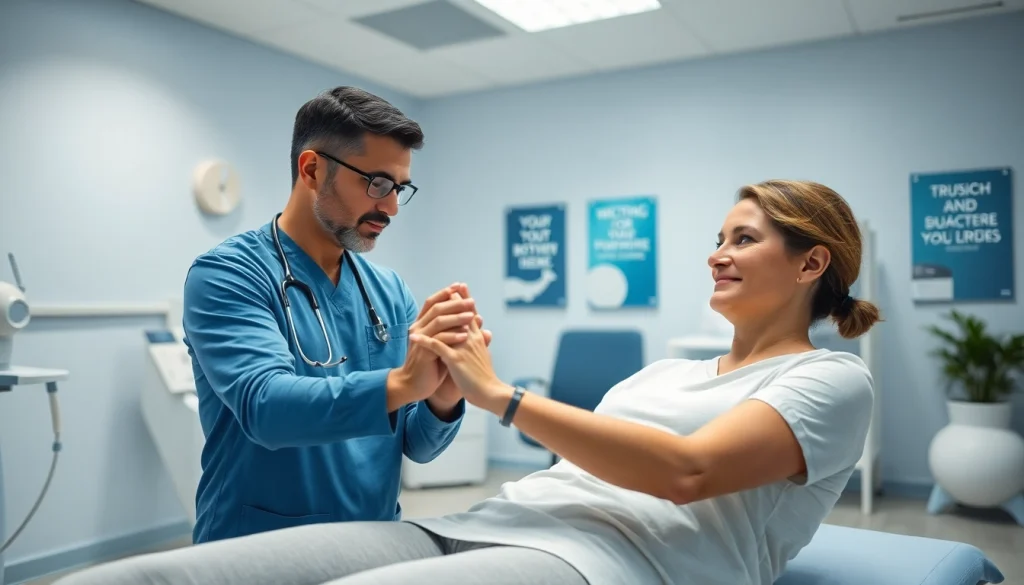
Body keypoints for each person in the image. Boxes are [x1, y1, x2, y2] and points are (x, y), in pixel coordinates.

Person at [55, 179, 881, 585]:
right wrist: (447, 382)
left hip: (612, 559)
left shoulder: (831, 379)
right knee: (149, 577)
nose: (717, 253)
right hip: (485, 519)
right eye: (719, 237)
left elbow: (687, 471)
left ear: (812, 262)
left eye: (743, 239)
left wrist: (498, 394)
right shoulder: (667, 370)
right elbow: (574, 464)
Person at [177, 86, 491, 544]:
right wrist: (403, 383)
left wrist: (442, 395)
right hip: (259, 548)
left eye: (399, 188)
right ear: (312, 170)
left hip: (374, 543)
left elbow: (418, 446)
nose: (390, 207)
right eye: (377, 183)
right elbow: (267, 408)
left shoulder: (389, 291)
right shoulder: (228, 275)